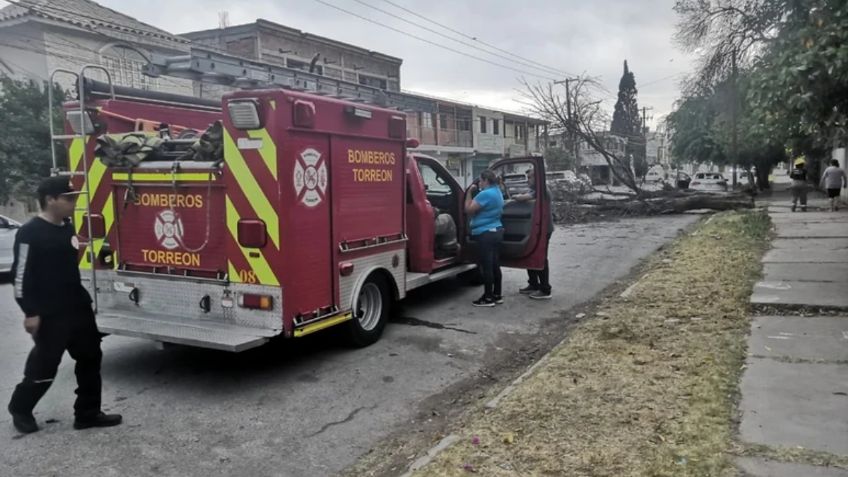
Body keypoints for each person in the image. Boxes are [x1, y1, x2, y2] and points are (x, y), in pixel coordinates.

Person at [8, 176, 122, 434]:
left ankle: (88, 413)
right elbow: (20, 277)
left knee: (91, 358)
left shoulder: (67, 227)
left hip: (77, 307)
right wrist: (30, 312)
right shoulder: (30, 233)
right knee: (45, 366)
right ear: (50, 200)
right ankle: (20, 407)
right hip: (49, 313)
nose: (74, 202)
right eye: (68, 198)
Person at [512, 168, 554, 300]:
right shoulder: (535, 190)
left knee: (540, 258)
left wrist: (516, 197)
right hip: (535, 228)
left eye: (530, 177)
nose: (528, 180)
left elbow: (524, 197)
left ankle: (545, 289)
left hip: (543, 229)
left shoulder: (543, 191)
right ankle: (533, 284)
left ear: (538, 178)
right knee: (529, 254)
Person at [465, 169, 504, 307]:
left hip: (485, 233)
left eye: (480, 180)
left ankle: (488, 297)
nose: (479, 183)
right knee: (494, 265)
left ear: (486, 181)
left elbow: (468, 209)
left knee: (487, 266)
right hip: (496, 230)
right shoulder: (497, 191)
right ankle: (497, 294)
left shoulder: (485, 194)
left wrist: (469, 192)